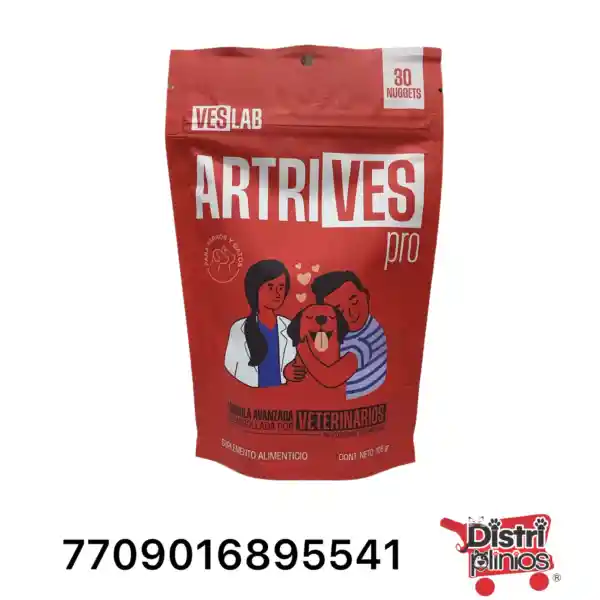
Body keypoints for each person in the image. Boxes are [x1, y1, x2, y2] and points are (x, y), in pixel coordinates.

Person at [296, 271, 387, 399]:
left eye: (355, 302)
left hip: (356, 399)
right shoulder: (339, 330)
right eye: (339, 311)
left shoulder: (363, 342)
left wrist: (304, 351)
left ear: (366, 296)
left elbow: (331, 378)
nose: (351, 314)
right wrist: (290, 370)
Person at [225, 260, 302, 388]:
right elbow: (231, 368)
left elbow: (297, 364)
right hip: (251, 396)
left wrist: (286, 374)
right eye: (270, 287)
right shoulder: (239, 328)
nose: (277, 293)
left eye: (281, 287)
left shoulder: (289, 326)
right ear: (255, 289)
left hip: (284, 395)